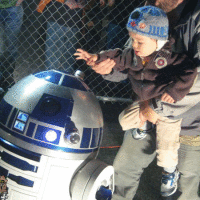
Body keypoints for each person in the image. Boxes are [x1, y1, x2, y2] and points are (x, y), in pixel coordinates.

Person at [79, 0, 200, 199]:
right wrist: (109, 68)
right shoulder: (151, 8)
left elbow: (196, 77)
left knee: (185, 189)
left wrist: (157, 108)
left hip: (188, 121)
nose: (155, 1)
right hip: (145, 116)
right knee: (122, 174)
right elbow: (131, 60)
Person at [36, 0, 87, 74]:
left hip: (75, 20)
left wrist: (84, 3)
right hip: (57, 16)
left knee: (68, 62)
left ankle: (63, 83)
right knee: (53, 62)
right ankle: (51, 83)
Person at [0, 0, 24, 91]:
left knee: (11, 47)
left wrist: (19, 2)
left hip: (13, 8)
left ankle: (7, 78)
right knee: (1, 49)